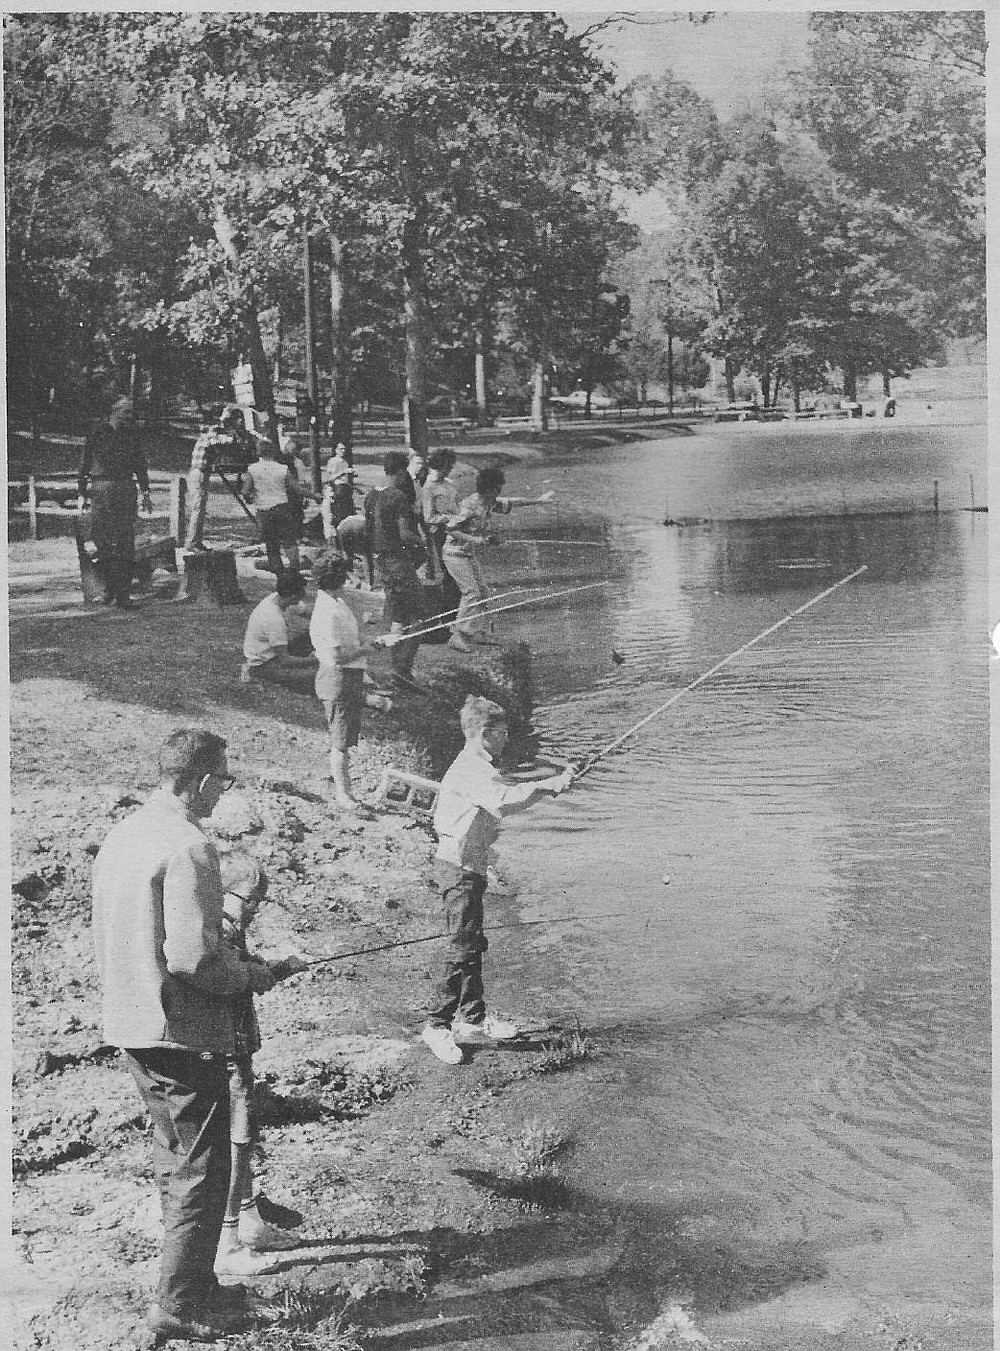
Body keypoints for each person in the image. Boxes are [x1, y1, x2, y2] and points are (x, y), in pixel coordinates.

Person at [91, 729, 282, 1344]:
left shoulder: (126, 832)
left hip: (131, 1021)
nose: (224, 790)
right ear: (199, 780)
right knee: (201, 1168)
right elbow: (193, 959)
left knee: (178, 1161)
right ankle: (179, 1306)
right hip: (178, 1030)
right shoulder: (189, 844)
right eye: (223, 779)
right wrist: (257, 975)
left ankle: (197, 1285)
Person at [421, 697, 573, 1065]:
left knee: (472, 944)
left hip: (470, 867)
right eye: (502, 733)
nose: (506, 739)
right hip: (458, 869)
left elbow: (506, 792)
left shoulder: (478, 767)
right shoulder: (471, 769)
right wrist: (550, 784)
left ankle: (472, 1020)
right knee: (460, 948)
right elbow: (503, 801)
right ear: (484, 734)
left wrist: (550, 783)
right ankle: (436, 1025)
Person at [214, 852, 307, 1277]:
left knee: (245, 1137)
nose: (253, 909)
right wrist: (263, 974)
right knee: (236, 1142)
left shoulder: (229, 929)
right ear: (220, 893)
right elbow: (226, 977)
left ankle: (250, 1221)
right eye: (249, 900)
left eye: (258, 902)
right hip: (224, 1055)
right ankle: (227, 1242)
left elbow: (242, 970)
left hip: (237, 1051)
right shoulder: (216, 930)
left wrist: (278, 969)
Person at [442, 465, 554, 651]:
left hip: (467, 554)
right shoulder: (470, 505)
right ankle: (458, 635)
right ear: (490, 489)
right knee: (471, 593)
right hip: (454, 554)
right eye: (498, 487)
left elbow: (513, 502)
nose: (500, 490)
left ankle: (477, 632)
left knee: (483, 593)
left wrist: (539, 500)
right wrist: (476, 539)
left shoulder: (489, 502)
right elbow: (451, 529)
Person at [310, 553, 390, 812]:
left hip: (350, 677)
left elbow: (350, 640)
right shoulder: (328, 612)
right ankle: (343, 795)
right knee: (341, 742)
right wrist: (366, 649)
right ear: (338, 578)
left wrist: (371, 642)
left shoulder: (337, 602)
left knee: (345, 738)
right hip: (338, 679)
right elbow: (336, 657)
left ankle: (345, 789)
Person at [77, 397, 153, 609]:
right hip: (101, 489)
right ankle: (107, 590)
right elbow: (85, 462)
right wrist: (82, 493)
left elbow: (140, 464)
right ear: (115, 411)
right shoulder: (97, 433)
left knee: (125, 541)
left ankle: (123, 595)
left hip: (125, 489)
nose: (130, 416)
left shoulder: (132, 435)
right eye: (126, 412)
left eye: (131, 413)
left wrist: (146, 491)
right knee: (102, 540)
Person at [363, 451, 426, 687]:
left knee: (396, 614)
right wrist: (422, 542)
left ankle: (396, 665)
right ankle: (402, 668)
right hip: (398, 560)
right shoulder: (398, 496)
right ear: (400, 471)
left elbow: (368, 532)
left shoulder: (371, 495)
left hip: (381, 562)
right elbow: (404, 533)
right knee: (418, 615)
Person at [184, 407, 254, 552]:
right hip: (198, 473)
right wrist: (236, 438)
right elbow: (221, 441)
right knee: (198, 508)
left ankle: (197, 542)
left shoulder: (217, 431)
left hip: (202, 473)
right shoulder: (214, 430)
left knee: (201, 509)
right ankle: (191, 543)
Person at [240, 572, 316, 690]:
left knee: (310, 635)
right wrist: (316, 660)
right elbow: (285, 660)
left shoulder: (279, 597)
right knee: (316, 677)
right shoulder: (273, 618)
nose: (304, 594)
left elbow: (311, 614)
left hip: (275, 652)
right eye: (302, 591)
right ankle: (254, 672)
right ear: (293, 596)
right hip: (266, 664)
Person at [242, 440, 304, 576]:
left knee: (271, 544)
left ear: (258, 453)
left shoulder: (252, 469)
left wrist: (250, 499)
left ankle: (279, 574)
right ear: (272, 452)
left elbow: (245, 491)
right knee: (289, 542)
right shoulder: (283, 468)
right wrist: (314, 495)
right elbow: (297, 489)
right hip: (282, 508)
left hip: (264, 511)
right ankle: (295, 571)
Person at [320, 444, 358, 541]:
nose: (343, 451)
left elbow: (345, 479)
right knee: (337, 515)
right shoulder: (333, 461)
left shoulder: (345, 462)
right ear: (336, 450)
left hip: (345, 490)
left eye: (344, 449)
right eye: (341, 449)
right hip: (337, 490)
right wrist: (343, 472)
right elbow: (329, 478)